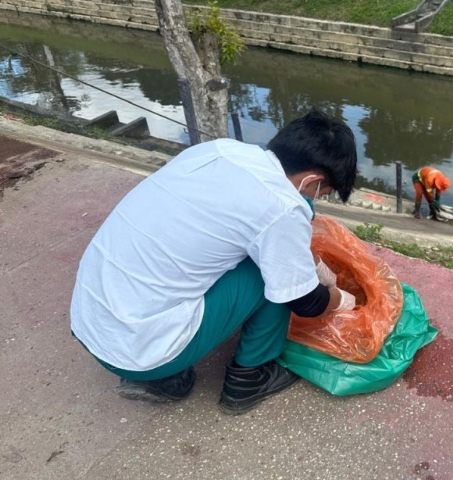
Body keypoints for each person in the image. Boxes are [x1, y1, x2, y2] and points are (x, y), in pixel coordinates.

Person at [69, 110, 359, 415]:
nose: (317, 199)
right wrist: (342, 299)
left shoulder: (220, 150)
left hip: (91, 322)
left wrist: (317, 268)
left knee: (266, 257)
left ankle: (162, 374)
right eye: (321, 193)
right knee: (270, 275)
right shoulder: (280, 207)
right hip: (139, 351)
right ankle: (250, 378)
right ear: (312, 180)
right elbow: (306, 303)